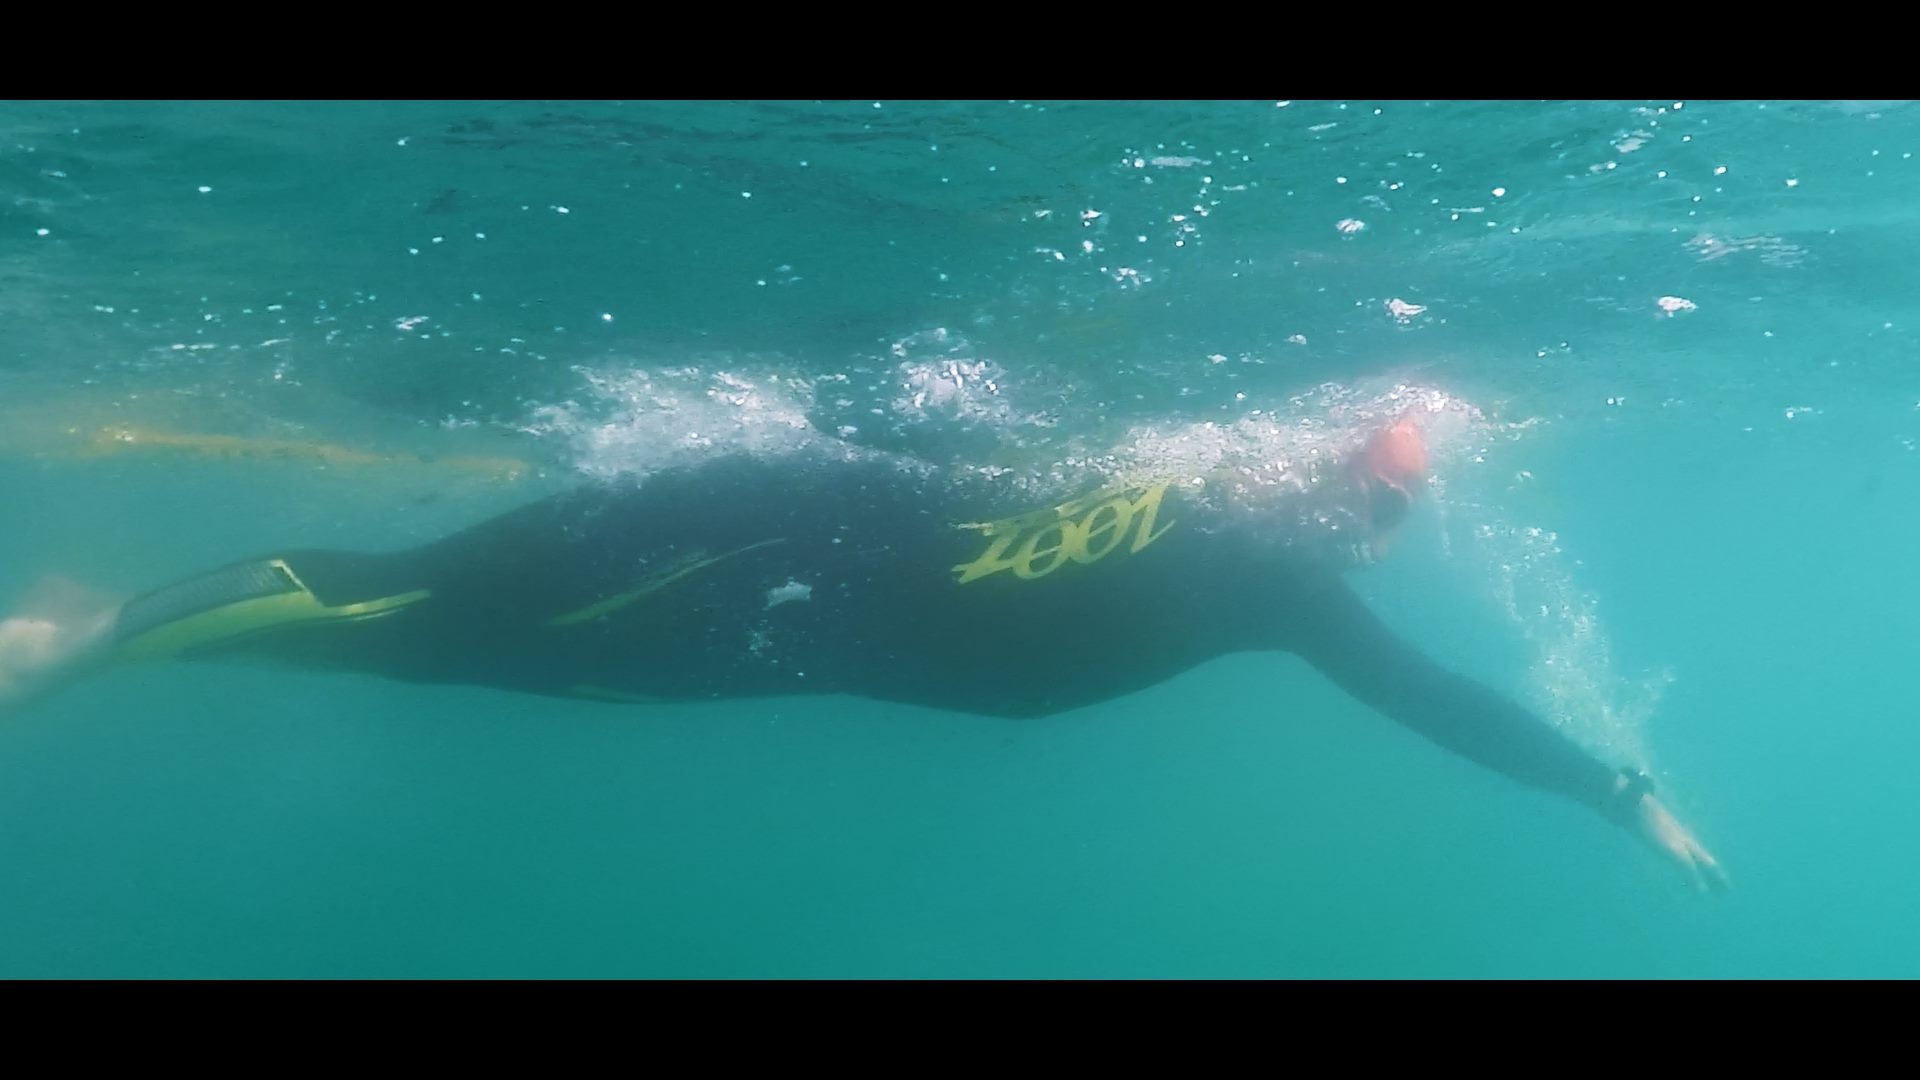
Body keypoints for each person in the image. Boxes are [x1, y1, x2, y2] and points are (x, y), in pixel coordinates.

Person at [0, 413, 1728, 892]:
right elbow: (1435, 700)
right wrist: (1620, 794)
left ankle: (117, 645)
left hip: (763, 623)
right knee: (419, 609)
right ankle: (81, 645)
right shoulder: (1225, 529)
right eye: (1357, 507)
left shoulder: (1255, 560)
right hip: (745, 553)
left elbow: (1441, 704)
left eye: (1354, 514)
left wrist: (1617, 791)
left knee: (435, 644)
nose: (1344, 535)